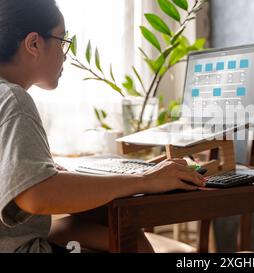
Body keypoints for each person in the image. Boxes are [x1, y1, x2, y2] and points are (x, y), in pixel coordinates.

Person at [0, 0, 205, 253]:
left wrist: (51, 173)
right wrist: (143, 180)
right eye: (62, 40)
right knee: (132, 241)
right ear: (33, 43)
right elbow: (35, 196)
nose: (65, 54)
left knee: (102, 225)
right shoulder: (13, 99)